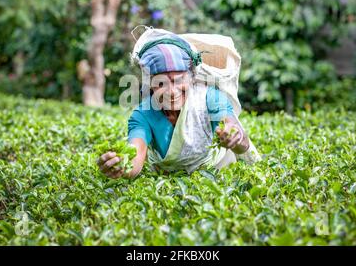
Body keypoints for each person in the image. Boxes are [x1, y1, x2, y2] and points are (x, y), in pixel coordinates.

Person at [98, 33, 251, 179]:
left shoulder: (210, 97)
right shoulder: (143, 114)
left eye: (178, 80)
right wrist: (121, 165)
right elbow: (135, 158)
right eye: (161, 82)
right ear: (150, 83)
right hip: (167, 179)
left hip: (214, 172)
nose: (171, 91)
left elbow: (241, 141)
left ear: (192, 78)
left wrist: (235, 137)